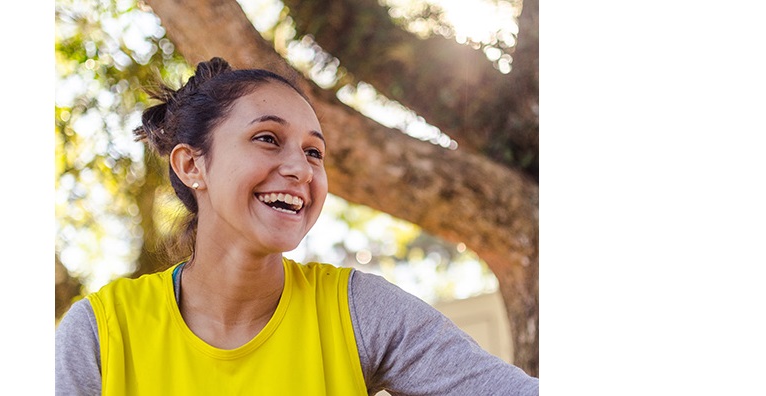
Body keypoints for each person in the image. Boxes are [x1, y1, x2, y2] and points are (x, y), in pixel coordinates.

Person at [55, 57, 539, 395]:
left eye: (314, 152)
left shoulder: (358, 312)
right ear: (191, 165)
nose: (302, 170)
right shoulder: (101, 334)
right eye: (268, 138)